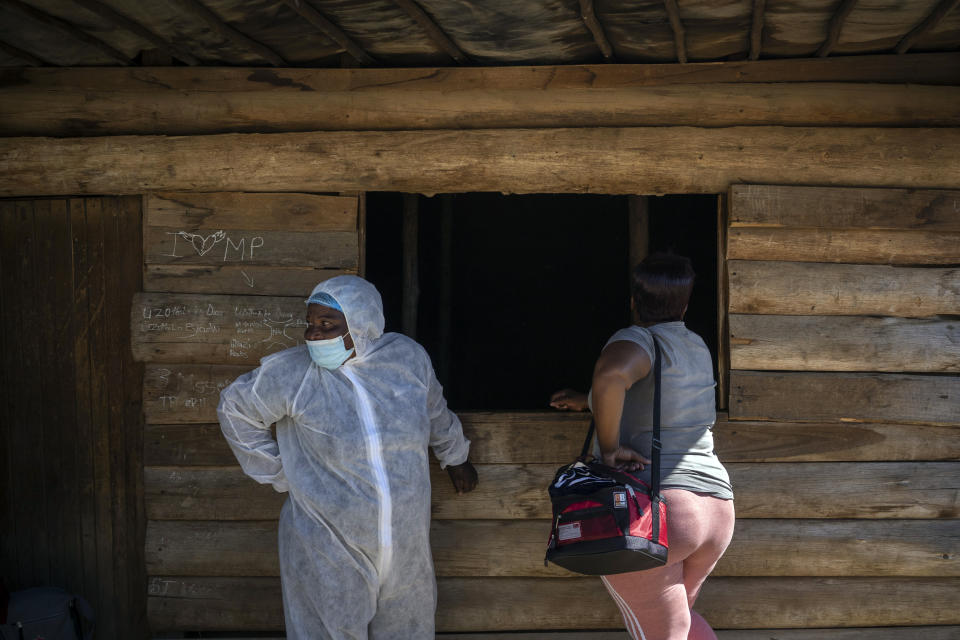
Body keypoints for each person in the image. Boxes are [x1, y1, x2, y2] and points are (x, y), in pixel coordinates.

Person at [217, 275, 478, 639]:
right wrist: (282, 473)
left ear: (362, 324)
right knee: (331, 626)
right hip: (327, 540)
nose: (313, 336)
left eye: (327, 325)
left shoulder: (405, 359)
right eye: (310, 325)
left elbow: (434, 409)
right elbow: (235, 408)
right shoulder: (294, 374)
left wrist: (455, 455)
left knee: (407, 625)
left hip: (404, 539)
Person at [549, 253, 734, 640]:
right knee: (678, 626)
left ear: (634, 302)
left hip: (656, 512)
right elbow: (661, 396)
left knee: (662, 633)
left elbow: (613, 375)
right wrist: (588, 399)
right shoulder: (696, 346)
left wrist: (611, 449)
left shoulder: (637, 337)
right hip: (715, 509)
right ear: (685, 304)